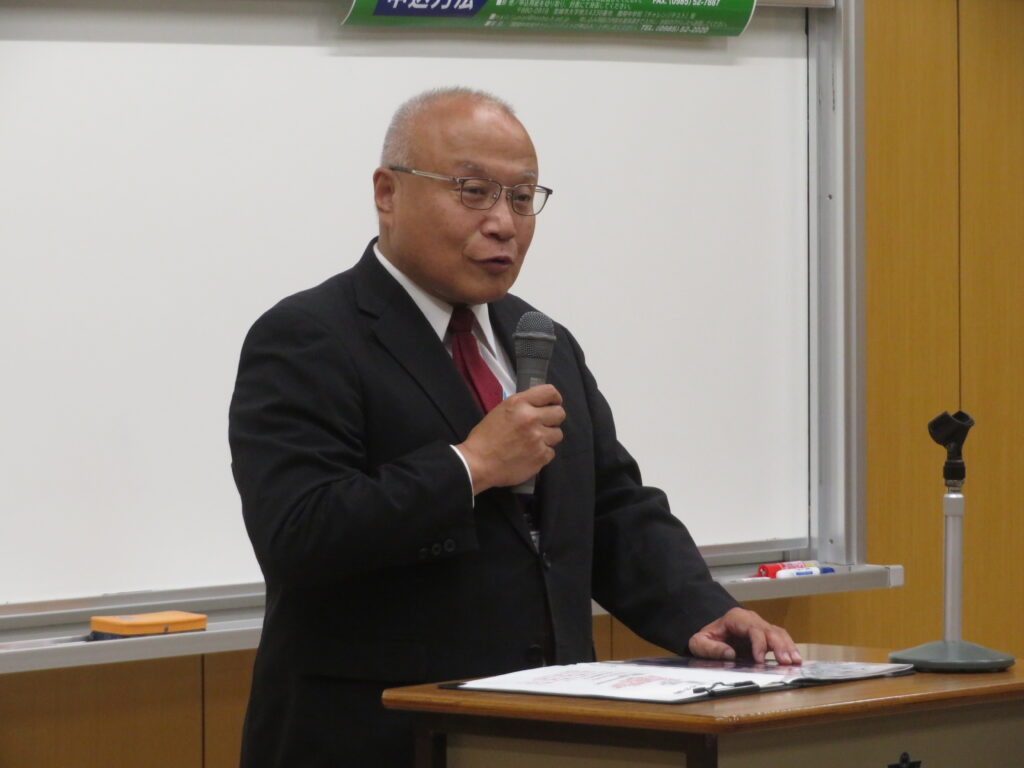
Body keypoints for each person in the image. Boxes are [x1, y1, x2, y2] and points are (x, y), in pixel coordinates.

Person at [228, 86, 799, 767]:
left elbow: (612, 508)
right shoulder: (309, 337)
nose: (504, 223)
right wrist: (469, 466)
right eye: (473, 192)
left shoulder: (540, 338)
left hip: (546, 730)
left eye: (523, 198)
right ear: (387, 193)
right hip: (378, 737)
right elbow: (298, 533)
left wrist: (700, 610)